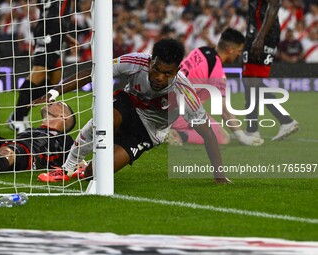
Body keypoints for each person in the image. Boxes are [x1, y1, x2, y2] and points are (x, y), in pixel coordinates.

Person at [34, 39, 231, 184]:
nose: (160, 78)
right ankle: (67, 168)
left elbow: (208, 134)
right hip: (128, 105)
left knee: (94, 175)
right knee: (106, 118)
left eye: (167, 73)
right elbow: (94, 71)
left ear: (177, 70)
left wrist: (219, 175)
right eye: (156, 69)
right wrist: (54, 91)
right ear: (150, 62)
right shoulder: (135, 62)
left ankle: (85, 168)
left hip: (148, 130)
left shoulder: (184, 92)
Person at [168, 28, 264, 146]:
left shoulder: (201, 50)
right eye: (238, 51)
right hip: (177, 111)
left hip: (166, 101)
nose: (239, 54)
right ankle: (179, 135)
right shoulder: (217, 72)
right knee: (223, 137)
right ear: (230, 50)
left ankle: (170, 128)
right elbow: (223, 109)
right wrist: (241, 136)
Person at [7, 0, 78, 133]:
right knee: (40, 70)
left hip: (57, 29)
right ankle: (17, 117)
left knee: (54, 79)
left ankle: (21, 113)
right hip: (49, 27)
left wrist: (65, 35)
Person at [0, 102, 83, 181]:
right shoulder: (33, 129)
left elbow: (79, 163)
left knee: (9, 151)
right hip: (4, 143)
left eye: (59, 104)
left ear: (64, 117)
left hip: (29, 154)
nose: (52, 101)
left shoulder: (65, 138)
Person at [242, 0, 299, 141]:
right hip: (255, 31)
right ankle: (252, 130)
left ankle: (286, 121)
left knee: (252, 81)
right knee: (249, 80)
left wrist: (260, 37)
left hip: (263, 34)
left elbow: (274, 5)